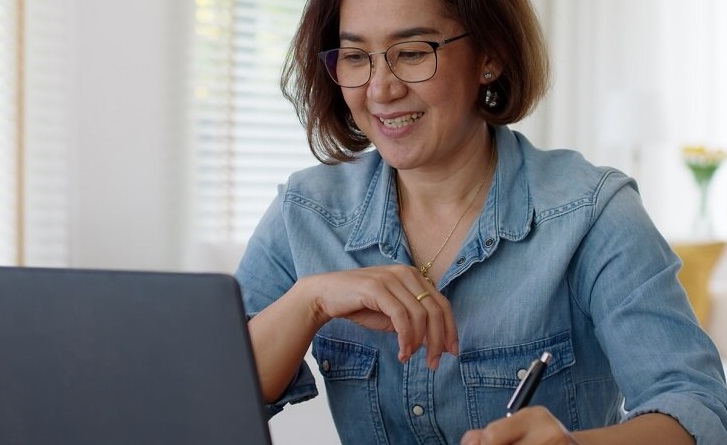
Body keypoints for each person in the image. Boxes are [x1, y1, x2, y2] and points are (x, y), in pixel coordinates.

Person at [235, 0, 727, 443]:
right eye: (356, 57)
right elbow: (205, 391)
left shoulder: (592, 212)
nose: (381, 89)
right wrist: (311, 301)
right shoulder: (306, 210)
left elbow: (698, 407)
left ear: (489, 56)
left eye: (411, 52)